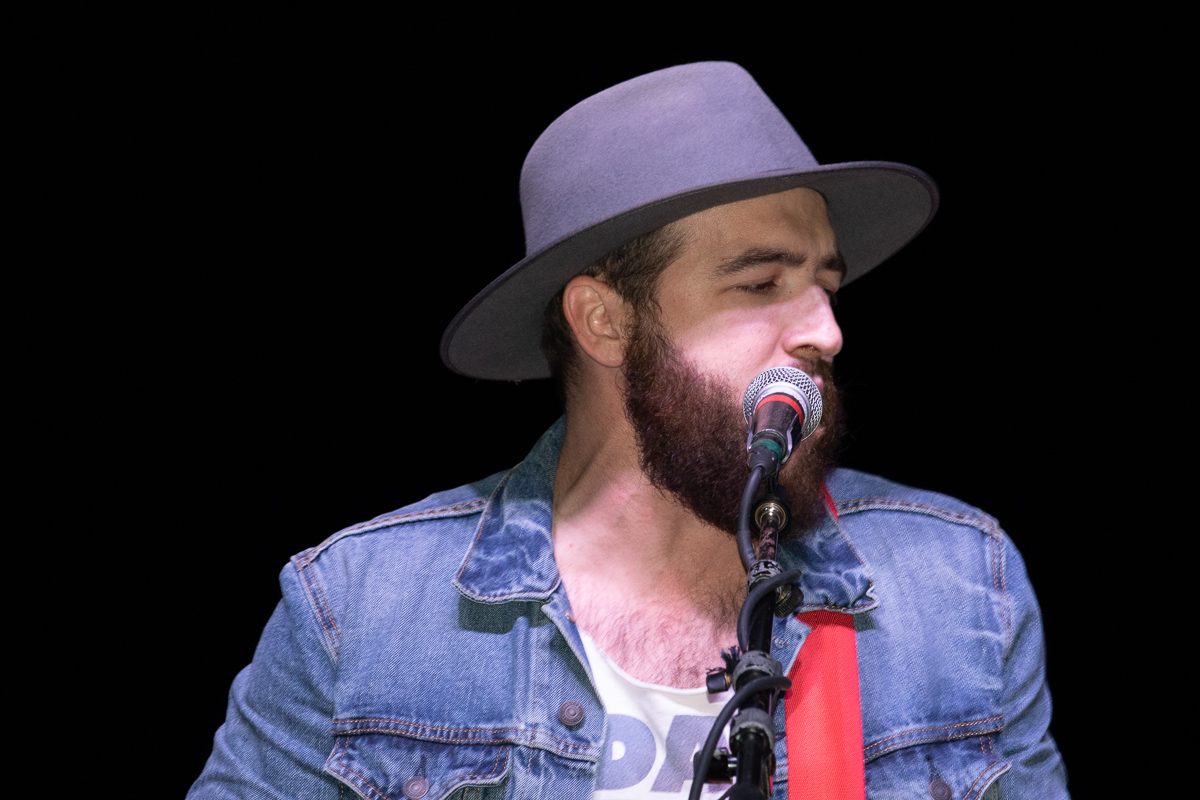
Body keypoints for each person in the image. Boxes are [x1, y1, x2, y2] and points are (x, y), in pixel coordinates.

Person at [190, 62, 1068, 799]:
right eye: (760, 283)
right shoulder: (358, 612)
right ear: (604, 322)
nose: (825, 330)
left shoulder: (960, 587)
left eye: (824, 285)